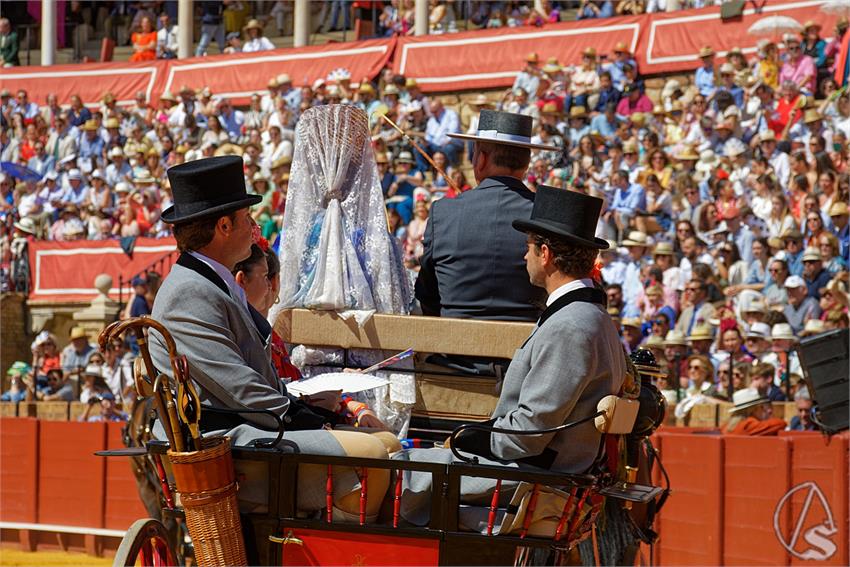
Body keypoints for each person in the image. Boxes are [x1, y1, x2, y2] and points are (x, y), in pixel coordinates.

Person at [399, 186, 625, 525]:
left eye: (528, 248)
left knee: (393, 469)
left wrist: (465, 438)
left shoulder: (571, 325)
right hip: (539, 474)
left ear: (545, 254)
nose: (524, 257)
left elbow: (529, 435)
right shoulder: (588, 317)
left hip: (532, 481)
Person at [416, 110, 555, 321]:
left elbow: (427, 295)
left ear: (480, 159)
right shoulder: (548, 213)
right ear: (526, 164)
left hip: (454, 349)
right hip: (530, 350)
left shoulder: (443, 212)